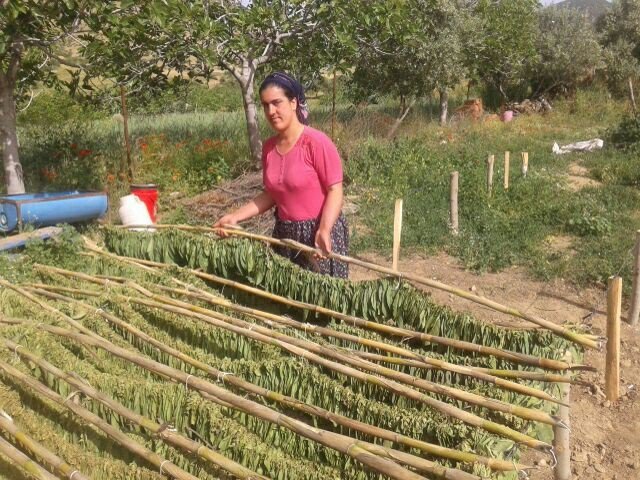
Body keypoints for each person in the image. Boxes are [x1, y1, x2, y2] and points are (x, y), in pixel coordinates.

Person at [214, 72, 349, 278]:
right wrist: (235, 216)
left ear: (293, 102)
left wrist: (324, 229)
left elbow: (335, 190)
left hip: (319, 234)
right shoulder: (269, 148)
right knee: (289, 301)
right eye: (265, 105)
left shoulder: (316, 143)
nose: (271, 111)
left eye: (277, 103)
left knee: (325, 301)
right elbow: (272, 195)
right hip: (285, 236)